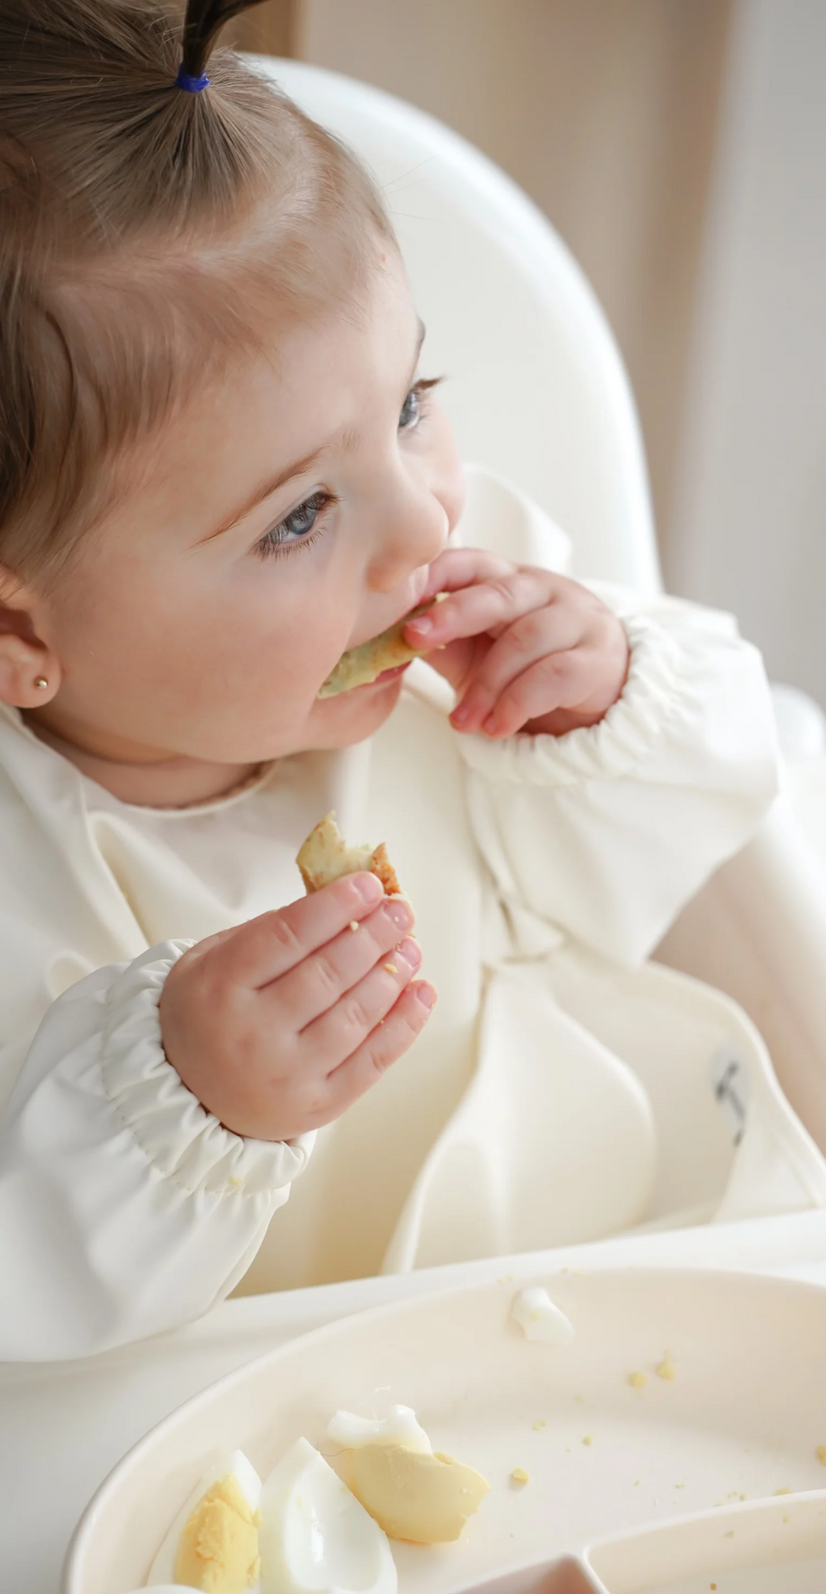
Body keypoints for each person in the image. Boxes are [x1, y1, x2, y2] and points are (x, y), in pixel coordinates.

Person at [0, 0, 781, 1360]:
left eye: (413, 402)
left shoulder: (475, 612)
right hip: (231, 1431)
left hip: (596, 1276)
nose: (423, 527)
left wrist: (597, 698)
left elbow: (689, 847)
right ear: (20, 639)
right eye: (299, 516)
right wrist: (182, 1104)